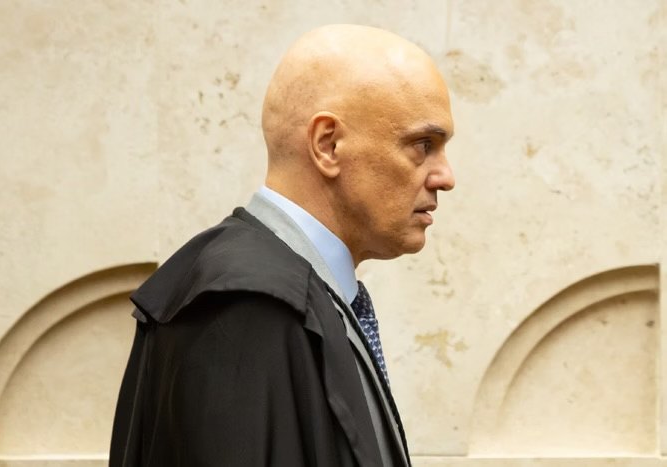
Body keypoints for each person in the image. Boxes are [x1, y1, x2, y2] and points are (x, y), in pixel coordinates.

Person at [110, 23, 455, 467]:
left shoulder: (288, 292)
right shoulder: (247, 306)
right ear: (328, 145)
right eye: (423, 145)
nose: (445, 177)